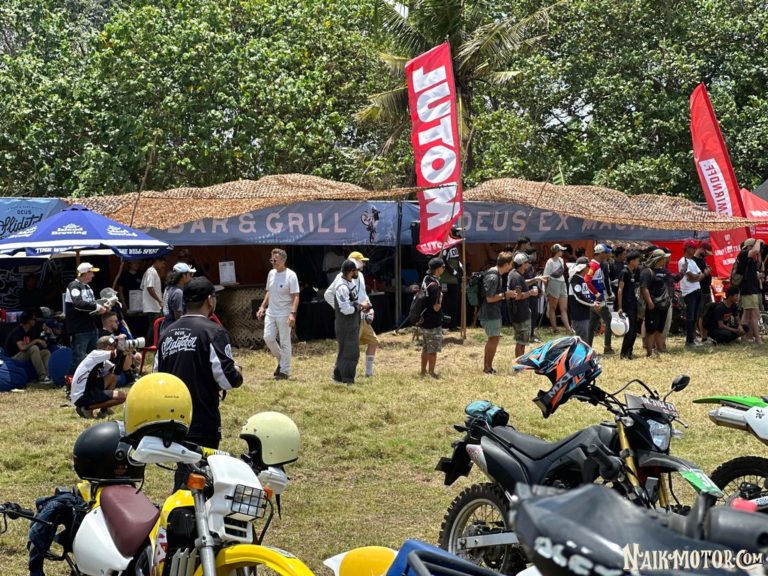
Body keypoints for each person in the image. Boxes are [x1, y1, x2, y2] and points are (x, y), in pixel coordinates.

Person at [153, 276, 243, 488]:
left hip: (174, 418)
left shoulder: (167, 333)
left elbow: (157, 376)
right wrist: (238, 371)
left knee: (184, 471)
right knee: (202, 477)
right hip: (203, 417)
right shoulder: (213, 331)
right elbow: (227, 379)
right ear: (210, 300)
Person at [324, 250, 379, 377]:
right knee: (348, 349)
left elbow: (363, 294)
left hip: (362, 316)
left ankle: (368, 372)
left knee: (373, 341)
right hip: (352, 318)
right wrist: (341, 309)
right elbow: (328, 295)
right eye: (362, 261)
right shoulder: (341, 277)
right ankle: (340, 374)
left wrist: (370, 308)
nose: (363, 264)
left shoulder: (360, 276)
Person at [256, 248, 300, 380]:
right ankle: (282, 360)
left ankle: (284, 371)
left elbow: (296, 296)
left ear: (283, 260)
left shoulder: (291, 275)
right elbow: (269, 292)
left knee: (285, 341)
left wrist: (292, 313)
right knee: (268, 337)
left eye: (275, 260)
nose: (273, 262)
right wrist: (262, 307)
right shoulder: (271, 273)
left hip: (284, 312)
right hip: (271, 312)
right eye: (271, 260)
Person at [66, 262, 109, 375]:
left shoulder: (88, 287)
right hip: (79, 329)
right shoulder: (74, 286)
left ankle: (91, 379)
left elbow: (90, 306)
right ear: (85, 273)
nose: (93, 275)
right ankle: (71, 381)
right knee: (78, 359)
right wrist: (97, 307)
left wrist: (103, 308)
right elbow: (78, 304)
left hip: (91, 327)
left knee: (94, 356)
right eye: (91, 273)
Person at [71, 335, 129, 419]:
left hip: (88, 389)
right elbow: (118, 353)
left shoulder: (100, 359)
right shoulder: (96, 354)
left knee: (112, 377)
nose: (114, 348)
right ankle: (86, 408)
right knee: (122, 397)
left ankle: (103, 410)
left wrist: (124, 355)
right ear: (107, 347)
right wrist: (121, 342)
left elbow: (116, 372)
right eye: (113, 346)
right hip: (81, 395)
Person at [478, 251, 516, 375]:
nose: (511, 267)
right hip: (490, 313)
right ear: (506, 264)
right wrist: (505, 295)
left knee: (493, 339)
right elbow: (490, 298)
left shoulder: (496, 274)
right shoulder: (493, 277)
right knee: (493, 339)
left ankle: (488, 367)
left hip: (492, 313)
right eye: (511, 264)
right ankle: (487, 368)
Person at [332, 260, 369, 384]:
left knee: (344, 351)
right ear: (351, 272)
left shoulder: (350, 282)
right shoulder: (342, 287)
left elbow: (353, 301)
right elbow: (345, 309)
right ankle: (347, 379)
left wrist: (361, 305)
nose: (357, 272)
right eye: (356, 270)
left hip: (352, 323)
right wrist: (359, 307)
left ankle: (338, 377)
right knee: (351, 352)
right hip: (345, 324)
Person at [3, 311, 52, 385]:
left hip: (24, 355)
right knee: (33, 348)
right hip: (13, 358)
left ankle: (48, 375)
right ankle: (42, 376)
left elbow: (36, 345)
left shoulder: (30, 331)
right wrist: (36, 341)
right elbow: (22, 348)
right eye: (34, 319)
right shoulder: (18, 331)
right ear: (28, 320)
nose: (35, 321)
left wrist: (44, 339)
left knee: (46, 352)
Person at [640, 249, 671, 357]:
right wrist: (649, 302)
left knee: (659, 329)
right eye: (663, 258)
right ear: (658, 259)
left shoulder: (663, 271)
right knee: (651, 330)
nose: (665, 260)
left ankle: (660, 349)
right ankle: (649, 353)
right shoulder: (647, 272)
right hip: (653, 305)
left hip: (663, 305)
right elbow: (644, 288)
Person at [586, 243, 615, 354]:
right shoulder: (594, 265)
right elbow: (587, 281)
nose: (607, 255)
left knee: (592, 324)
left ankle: (587, 348)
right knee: (609, 321)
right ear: (601, 253)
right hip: (597, 300)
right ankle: (607, 348)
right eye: (606, 253)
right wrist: (597, 294)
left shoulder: (597, 265)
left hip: (595, 300)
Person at [733, 238, 763, 344]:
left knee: (747, 315)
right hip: (748, 289)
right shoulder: (744, 253)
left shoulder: (751, 258)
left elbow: (759, 266)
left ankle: (745, 337)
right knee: (754, 315)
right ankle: (757, 339)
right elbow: (755, 251)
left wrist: (759, 255)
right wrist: (758, 241)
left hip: (750, 289)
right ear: (750, 246)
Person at [507, 253, 536, 357]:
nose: (528, 264)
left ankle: (520, 361)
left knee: (522, 341)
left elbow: (523, 283)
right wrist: (530, 293)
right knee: (521, 342)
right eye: (526, 262)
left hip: (520, 312)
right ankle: (518, 362)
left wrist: (535, 279)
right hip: (520, 313)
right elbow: (517, 296)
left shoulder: (515, 274)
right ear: (522, 264)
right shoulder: (516, 277)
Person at [420, 257, 444, 378]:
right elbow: (436, 307)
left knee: (425, 348)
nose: (444, 269)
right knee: (433, 349)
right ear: (438, 269)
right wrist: (441, 298)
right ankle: (431, 372)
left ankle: (423, 371)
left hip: (424, 319)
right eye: (443, 267)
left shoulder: (426, 279)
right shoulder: (435, 285)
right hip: (433, 321)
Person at [678, 239, 704, 347]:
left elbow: (701, 275)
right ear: (687, 248)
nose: (694, 250)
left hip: (697, 290)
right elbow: (692, 276)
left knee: (695, 317)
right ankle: (689, 341)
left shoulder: (692, 261)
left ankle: (693, 338)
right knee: (690, 317)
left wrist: (695, 278)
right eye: (693, 248)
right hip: (689, 292)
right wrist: (696, 277)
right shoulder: (682, 261)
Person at [568, 257, 599, 345]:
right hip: (579, 316)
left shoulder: (582, 279)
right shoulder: (575, 279)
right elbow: (579, 297)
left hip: (584, 315)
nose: (590, 268)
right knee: (581, 341)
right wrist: (592, 304)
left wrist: (594, 301)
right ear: (583, 267)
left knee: (584, 339)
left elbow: (586, 296)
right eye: (588, 266)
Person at [616, 251, 641, 359]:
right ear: (631, 261)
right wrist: (620, 306)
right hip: (627, 305)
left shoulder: (633, 272)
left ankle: (629, 352)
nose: (638, 262)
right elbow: (620, 290)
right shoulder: (624, 272)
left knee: (634, 330)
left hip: (633, 304)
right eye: (637, 260)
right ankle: (623, 353)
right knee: (629, 330)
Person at [544, 244, 571, 334]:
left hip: (562, 283)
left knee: (564, 308)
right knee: (553, 308)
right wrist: (546, 289)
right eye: (561, 250)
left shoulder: (561, 260)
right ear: (557, 251)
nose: (562, 252)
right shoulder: (550, 262)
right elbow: (545, 276)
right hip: (553, 283)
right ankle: (555, 329)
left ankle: (568, 329)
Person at [162, 262, 196, 328]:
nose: (191, 277)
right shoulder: (178, 292)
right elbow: (178, 317)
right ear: (184, 276)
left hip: (167, 326)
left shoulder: (168, 288)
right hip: (174, 328)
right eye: (190, 274)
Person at [140, 256, 166, 343]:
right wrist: (159, 300)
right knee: (153, 327)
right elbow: (149, 287)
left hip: (155, 306)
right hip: (153, 306)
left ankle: (153, 345)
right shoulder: (151, 271)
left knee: (155, 327)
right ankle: (148, 346)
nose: (163, 266)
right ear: (157, 261)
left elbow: (143, 287)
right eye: (162, 263)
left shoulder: (151, 271)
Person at [692, 241, 714, 340]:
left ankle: (705, 335)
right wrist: (706, 273)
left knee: (706, 314)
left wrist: (707, 271)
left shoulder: (702, 259)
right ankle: (698, 336)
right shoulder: (693, 261)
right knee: (699, 315)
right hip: (700, 291)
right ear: (701, 249)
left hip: (706, 290)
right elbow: (696, 277)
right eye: (706, 253)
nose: (707, 255)